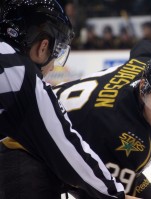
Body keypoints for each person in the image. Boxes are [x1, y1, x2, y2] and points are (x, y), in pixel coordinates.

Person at [0, 0, 134, 199]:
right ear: (43, 45)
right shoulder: (22, 75)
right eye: (56, 52)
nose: (53, 66)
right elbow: (68, 152)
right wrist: (115, 194)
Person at [52, 39, 151, 198]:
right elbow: (103, 192)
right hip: (40, 146)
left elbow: (145, 46)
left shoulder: (148, 67)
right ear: (144, 87)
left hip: (96, 151)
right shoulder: (116, 128)